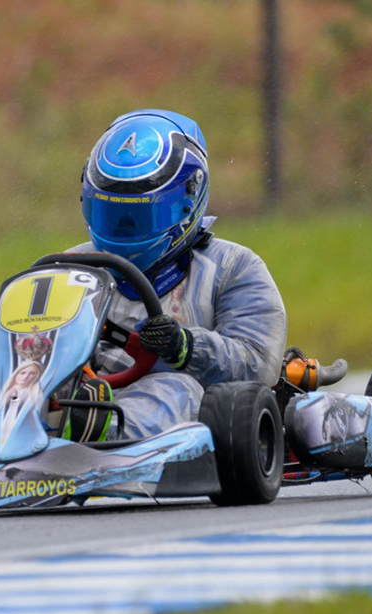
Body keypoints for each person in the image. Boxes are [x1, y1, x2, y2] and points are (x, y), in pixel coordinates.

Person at [71, 108, 287, 440]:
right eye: (111, 214)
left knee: (175, 386)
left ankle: (104, 433)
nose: (123, 231)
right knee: (18, 388)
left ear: (187, 203)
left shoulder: (233, 267)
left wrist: (185, 346)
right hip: (81, 393)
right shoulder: (70, 268)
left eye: (137, 217)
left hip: (188, 408)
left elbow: (259, 363)